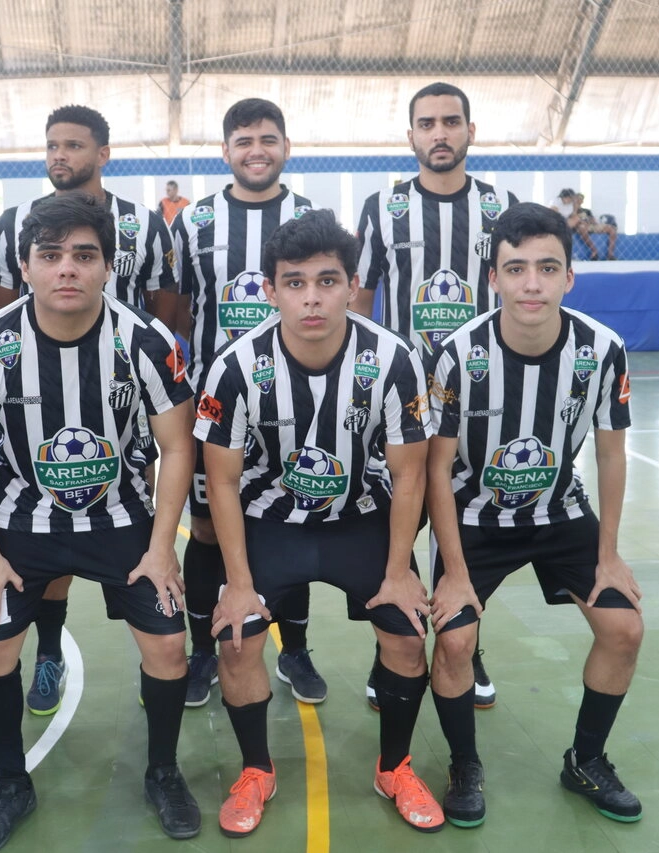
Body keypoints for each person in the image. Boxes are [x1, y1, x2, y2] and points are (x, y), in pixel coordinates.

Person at [0, 194, 201, 850]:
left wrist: (165, 545)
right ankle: (10, 781)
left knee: (170, 646)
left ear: (108, 266)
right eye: (50, 256)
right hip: (20, 521)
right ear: (24, 266)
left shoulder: (144, 340)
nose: (67, 270)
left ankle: (163, 770)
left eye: (84, 256)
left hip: (123, 518)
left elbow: (177, 445)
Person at [197, 210, 443, 836]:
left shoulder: (393, 359)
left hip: (360, 519)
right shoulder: (234, 366)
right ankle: (256, 770)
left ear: (354, 286)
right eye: (296, 282)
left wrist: (398, 571)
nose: (312, 297)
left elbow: (409, 475)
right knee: (237, 639)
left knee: (409, 635)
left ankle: (395, 766)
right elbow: (221, 481)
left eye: (328, 281)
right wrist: (238, 581)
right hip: (269, 521)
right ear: (271, 290)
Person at [425, 202, 643, 828]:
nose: (531, 283)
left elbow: (611, 452)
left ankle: (587, 759)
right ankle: (464, 764)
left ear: (569, 277)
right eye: (515, 268)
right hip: (472, 515)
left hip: (559, 509)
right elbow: (437, 469)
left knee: (624, 628)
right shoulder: (457, 354)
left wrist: (608, 555)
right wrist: (455, 572)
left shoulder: (602, 349)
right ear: (491, 278)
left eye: (547, 268)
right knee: (457, 638)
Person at [0, 104, 178, 716]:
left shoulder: (144, 225)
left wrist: (140, 379)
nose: (59, 156)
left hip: (123, 407)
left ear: (102, 152)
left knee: (118, 525)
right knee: (52, 517)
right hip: (40, 404)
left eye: (73, 145)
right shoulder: (18, 222)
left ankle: (162, 647)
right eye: (51, 146)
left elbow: (166, 306)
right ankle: (48, 653)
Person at [356, 81, 514, 712]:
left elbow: (515, 292)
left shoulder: (501, 206)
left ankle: (464, 644)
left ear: (470, 131)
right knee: (402, 519)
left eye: (452, 122)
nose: (440, 133)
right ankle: (390, 646)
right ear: (412, 135)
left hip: (479, 393)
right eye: (428, 123)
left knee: (466, 518)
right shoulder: (382, 208)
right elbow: (363, 301)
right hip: (404, 397)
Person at [172, 97, 325, 707]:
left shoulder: (312, 215)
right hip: (218, 405)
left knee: (293, 517)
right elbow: (181, 308)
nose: (255, 150)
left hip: (301, 402)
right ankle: (203, 652)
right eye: (243, 140)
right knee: (207, 528)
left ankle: (295, 649)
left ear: (286, 146)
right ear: (226, 151)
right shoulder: (194, 221)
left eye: (267, 138)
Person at [550, 188, 602, 260]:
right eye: (570, 198)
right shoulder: (556, 202)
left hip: (568, 223)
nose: (571, 200)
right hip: (557, 221)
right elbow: (553, 214)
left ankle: (594, 251)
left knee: (580, 223)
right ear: (565, 197)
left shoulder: (572, 204)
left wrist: (575, 208)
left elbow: (574, 216)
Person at [575, 193, 618, 260]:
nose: (579, 200)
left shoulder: (587, 211)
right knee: (582, 227)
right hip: (581, 227)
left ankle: (610, 254)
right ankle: (594, 251)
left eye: (581, 199)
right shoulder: (571, 211)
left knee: (612, 229)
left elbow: (593, 221)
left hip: (590, 226)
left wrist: (591, 222)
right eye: (578, 198)